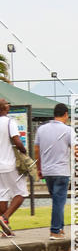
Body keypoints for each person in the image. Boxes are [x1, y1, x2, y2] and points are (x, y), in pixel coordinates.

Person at [34, 103, 75, 240]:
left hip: (48, 171)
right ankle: (55, 230)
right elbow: (76, 151)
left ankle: (61, 228)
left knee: (57, 200)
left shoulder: (41, 129)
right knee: (58, 201)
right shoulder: (68, 130)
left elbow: (36, 150)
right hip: (62, 171)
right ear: (66, 114)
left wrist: (39, 168)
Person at [0, 98, 29, 236]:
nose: (8, 104)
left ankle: (5, 229)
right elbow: (17, 141)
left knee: (2, 195)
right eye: (6, 103)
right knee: (21, 193)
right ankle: (4, 218)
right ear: (4, 108)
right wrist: (23, 151)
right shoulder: (10, 122)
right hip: (9, 164)